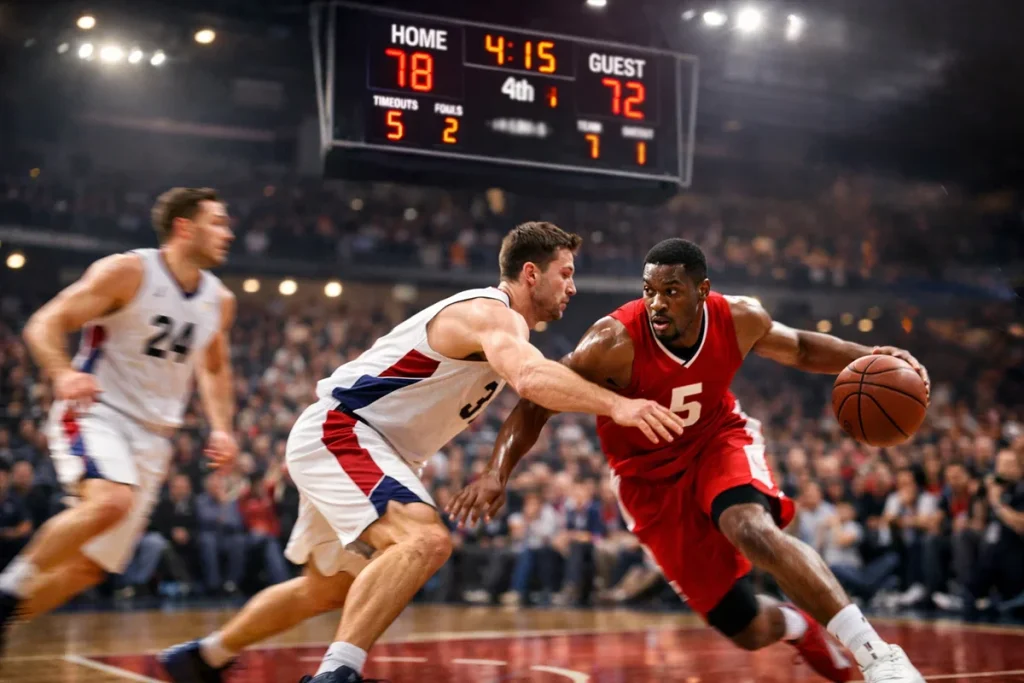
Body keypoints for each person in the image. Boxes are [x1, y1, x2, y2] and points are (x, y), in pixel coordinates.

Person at [160, 222, 685, 683]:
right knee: (426, 540)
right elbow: (531, 380)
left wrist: (495, 472)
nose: (572, 286)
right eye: (565, 274)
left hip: (366, 443)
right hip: (346, 430)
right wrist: (619, 406)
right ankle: (337, 673)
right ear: (531, 273)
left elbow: (532, 392)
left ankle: (203, 658)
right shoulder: (491, 313)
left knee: (329, 589)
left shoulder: (502, 325)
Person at [447, 238, 930, 683]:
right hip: (647, 480)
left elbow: (801, 348)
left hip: (716, 441)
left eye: (671, 291)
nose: (656, 302)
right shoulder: (611, 342)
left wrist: (872, 356)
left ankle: (877, 655)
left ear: (703, 291)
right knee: (745, 627)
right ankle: (794, 624)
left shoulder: (739, 317)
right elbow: (535, 404)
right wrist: (496, 471)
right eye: (649, 291)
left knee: (750, 527)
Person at [0, 187, 238, 651]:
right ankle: (8, 585)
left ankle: (8, 611)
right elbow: (44, 323)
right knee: (111, 500)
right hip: (98, 411)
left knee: (90, 569)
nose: (227, 233)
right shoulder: (129, 272)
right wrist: (62, 373)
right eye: (217, 222)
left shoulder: (219, 299)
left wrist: (222, 427)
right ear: (183, 227)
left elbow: (213, 368)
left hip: (155, 436)